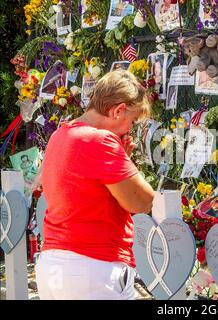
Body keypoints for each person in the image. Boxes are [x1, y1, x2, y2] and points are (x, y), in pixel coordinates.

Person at [35, 70, 155, 300]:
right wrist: (124, 160)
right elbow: (143, 201)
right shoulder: (101, 140)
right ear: (118, 110)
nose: (129, 129)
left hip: (53, 264)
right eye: (132, 120)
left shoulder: (60, 135)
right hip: (93, 269)